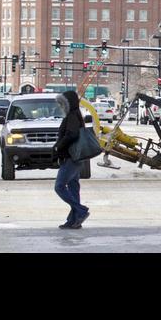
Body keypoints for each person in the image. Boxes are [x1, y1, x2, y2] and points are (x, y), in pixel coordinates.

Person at [53, 91, 90, 230]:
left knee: (59, 186)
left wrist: (59, 145)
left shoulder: (72, 116)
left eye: (62, 103)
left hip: (71, 157)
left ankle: (81, 211)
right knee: (73, 188)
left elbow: (72, 134)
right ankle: (74, 220)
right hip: (75, 157)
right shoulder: (74, 115)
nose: (60, 106)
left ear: (68, 104)